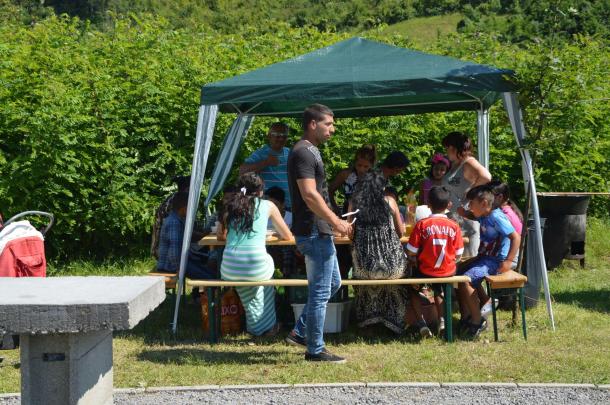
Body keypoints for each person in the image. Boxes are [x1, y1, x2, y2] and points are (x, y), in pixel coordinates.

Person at [285, 103, 352, 363]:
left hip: (318, 230)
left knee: (333, 283)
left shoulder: (310, 151)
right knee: (321, 291)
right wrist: (336, 221)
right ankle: (315, 349)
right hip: (314, 230)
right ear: (313, 124)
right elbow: (310, 195)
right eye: (329, 124)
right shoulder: (303, 152)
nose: (332, 129)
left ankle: (301, 331)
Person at [218, 173, 293, 336]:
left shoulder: (230, 205)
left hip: (229, 267)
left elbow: (220, 236)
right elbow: (287, 236)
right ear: (260, 191)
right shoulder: (268, 205)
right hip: (255, 265)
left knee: (253, 287)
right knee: (265, 279)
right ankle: (266, 328)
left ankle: (256, 327)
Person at [347, 171, 409, 334]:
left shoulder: (354, 204)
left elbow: (349, 233)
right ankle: (394, 323)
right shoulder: (390, 201)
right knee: (396, 281)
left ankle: (368, 324)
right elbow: (401, 233)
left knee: (362, 276)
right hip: (392, 267)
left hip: (364, 268)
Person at [456, 185, 520, 339]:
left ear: (484, 203)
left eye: (471, 203)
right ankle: (470, 313)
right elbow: (475, 216)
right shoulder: (485, 214)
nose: (469, 207)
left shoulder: (497, 217)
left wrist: (508, 261)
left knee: (466, 280)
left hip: (495, 261)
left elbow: (516, 237)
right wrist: (465, 214)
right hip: (483, 257)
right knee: (456, 273)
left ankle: (477, 321)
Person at [406, 186, 464, 338]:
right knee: (439, 288)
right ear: (449, 205)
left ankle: (421, 323)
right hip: (447, 271)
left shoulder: (422, 225)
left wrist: (414, 257)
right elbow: (459, 254)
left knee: (412, 289)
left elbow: (411, 251)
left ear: (428, 204)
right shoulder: (454, 226)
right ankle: (442, 319)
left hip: (425, 270)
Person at [441, 131, 491, 258]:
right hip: (454, 218)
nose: (446, 151)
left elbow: (486, 176)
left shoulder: (468, 162)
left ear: (454, 147)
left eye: (447, 148)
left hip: (466, 221)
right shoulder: (455, 164)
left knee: (465, 260)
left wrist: (470, 194)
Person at [156, 192, 214, 280]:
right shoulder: (174, 222)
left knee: (210, 272)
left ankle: (203, 292)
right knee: (209, 278)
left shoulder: (177, 219)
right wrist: (179, 269)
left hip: (180, 262)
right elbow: (174, 252)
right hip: (171, 266)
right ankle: (206, 293)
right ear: (184, 208)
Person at [239, 122, 292, 210]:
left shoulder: (290, 153)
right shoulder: (260, 153)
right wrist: (266, 162)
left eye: (284, 136)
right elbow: (242, 171)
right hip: (268, 206)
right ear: (269, 136)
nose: (281, 139)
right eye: (278, 135)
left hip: (289, 206)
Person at [328, 144, 377, 214]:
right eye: (359, 165)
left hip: (369, 215)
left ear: (372, 165)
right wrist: (334, 208)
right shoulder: (345, 174)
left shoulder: (376, 177)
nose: (361, 169)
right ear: (355, 162)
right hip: (348, 212)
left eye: (366, 166)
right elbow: (330, 190)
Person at [151, 175, 190, 259]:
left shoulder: (174, 198)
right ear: (188, 189)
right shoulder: (177, 203)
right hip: (164, 252)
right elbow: (177, 233)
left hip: (163, 249)